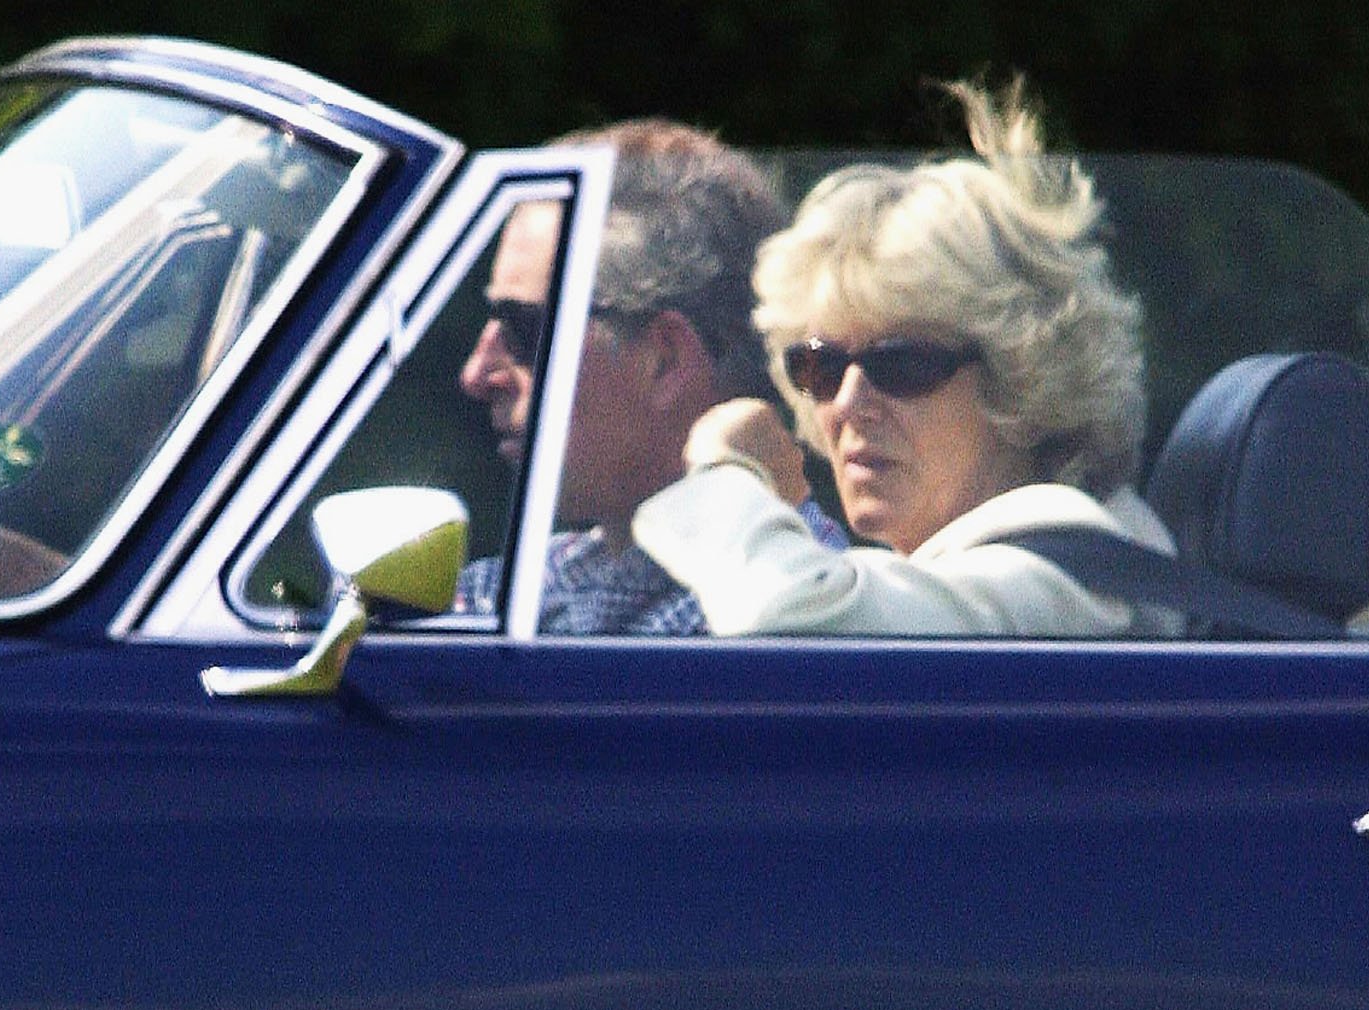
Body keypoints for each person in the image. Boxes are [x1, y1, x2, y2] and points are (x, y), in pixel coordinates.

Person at [633, 83, 1180, 639]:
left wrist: (723, 471)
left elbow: (790, 625)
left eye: (903, 365)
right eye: (819, 367)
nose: (847, 404)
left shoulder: (1062, 563)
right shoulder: (968, 566)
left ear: (1023, 379)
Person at [448, 123, 807, 636]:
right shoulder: (532, 582)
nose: (477, 375)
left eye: (528, 330)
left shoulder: (780, 623)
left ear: (663, 360)